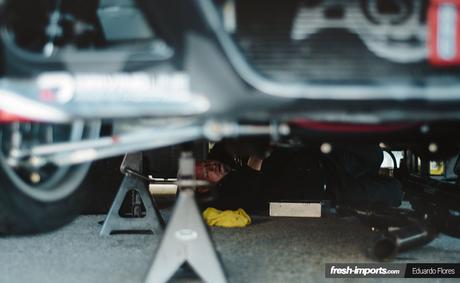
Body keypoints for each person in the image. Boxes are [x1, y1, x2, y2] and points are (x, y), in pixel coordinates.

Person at [195, 141, 402, 212]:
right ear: (205, 188)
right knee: (393, 192)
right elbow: (250, 187)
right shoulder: (227, 196)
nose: (211, 166)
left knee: (373, 155)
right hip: (319, 185)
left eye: (205, 164)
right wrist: (259, 152)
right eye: (206, 173)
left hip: (320, 156)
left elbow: (227, 140)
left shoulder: (221, 156)